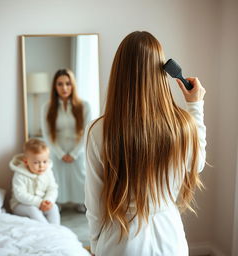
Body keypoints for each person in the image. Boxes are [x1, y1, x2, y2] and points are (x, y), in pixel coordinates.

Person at [84, 31, 206, 256]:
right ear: (161, 71)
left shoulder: (99, 130)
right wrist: (195, 106)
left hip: (120, 241)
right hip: (171, 240)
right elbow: (196, 164)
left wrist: (95, 244)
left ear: (119, 72)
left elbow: (95, 204)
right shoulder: (182, 125)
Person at [41, 69, 91, 212]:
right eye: (60, 84)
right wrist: (60, 153)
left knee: (80, 176)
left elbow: (87, 132)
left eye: (68, 84)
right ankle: (58, 202)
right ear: (54, 87)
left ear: (73, 85)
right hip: (57, 150)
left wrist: (74, 153)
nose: (64, 88)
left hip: (78, 148)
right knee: (57, 177)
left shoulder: (84, 106)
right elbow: (47, 134)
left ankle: (81, 202)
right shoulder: (47, 107)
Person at [10, 138, 60, 224]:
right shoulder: (20, 174)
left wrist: (48, 200)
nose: (41, 166)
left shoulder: (48, 171)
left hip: (43, 202)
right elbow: (20, 195)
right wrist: (39, 202)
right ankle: (46, 230)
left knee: (54, 207)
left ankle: (56, 230)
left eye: (44, 161)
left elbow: (52, 188)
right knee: (32, 210)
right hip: (21, 205)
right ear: (26, 162)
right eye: (36, 162)